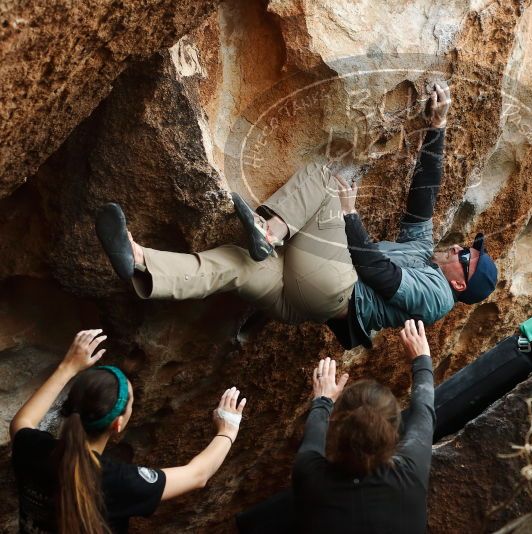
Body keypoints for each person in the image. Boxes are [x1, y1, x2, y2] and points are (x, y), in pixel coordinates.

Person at [95, 82, 497, 348]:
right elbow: (424, 195)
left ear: (460, 284)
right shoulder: (424, 251)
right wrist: (437, 127)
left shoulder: (438, 297)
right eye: (467, 246)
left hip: (338, 291)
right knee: (236, 264)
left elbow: (381, 275)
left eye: (467, 257)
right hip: (299, 302)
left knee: (325, 180)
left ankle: (270, 233)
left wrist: (351, 215)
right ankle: (141, 263)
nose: (460, 246)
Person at [10, 329, 247, 534]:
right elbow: (198, 475)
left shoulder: (34, 450)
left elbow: (22, 421)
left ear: (71, 406)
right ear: (118, 425)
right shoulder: (120, 482)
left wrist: (67, 367)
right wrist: (228, 429)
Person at [292, 319, 435, 533]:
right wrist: (421, 359)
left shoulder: (310, 476)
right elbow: (424, 410)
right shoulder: (410, 473)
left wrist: (323, 399)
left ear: (336, 423)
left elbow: (312, 438)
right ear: (393, 431)